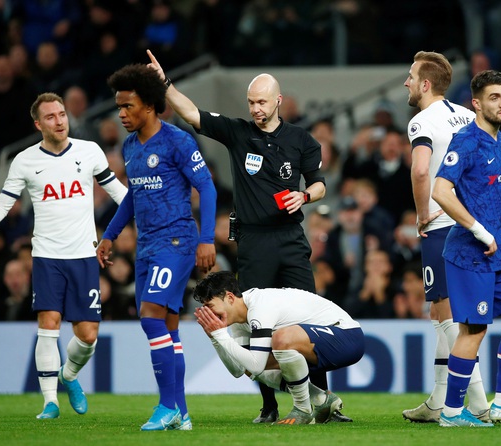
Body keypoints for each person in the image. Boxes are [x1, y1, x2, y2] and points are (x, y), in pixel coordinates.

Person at [144, 50, 345, 423]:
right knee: (252, 324)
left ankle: (324, 404)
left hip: (290, 239)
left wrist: (303, 195)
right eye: (251, 102)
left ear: (278, 101)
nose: (256, 108)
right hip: (252, 242)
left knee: (308, 321)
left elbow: (319, 185)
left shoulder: (301, 140)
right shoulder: (239, 133)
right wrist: (164, 84)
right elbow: (192, 114)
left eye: (262, 102)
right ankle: (269, 406)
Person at [0, 92, 128, 419]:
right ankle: (49, 402)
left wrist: (155, 212)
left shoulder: (90, 152)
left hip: (84, 256)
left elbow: (120, 195)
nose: (59, 121)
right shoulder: (25, 161)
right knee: (49, 324)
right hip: (46, 256)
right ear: (38, 124)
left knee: (88, 336)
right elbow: (2, 205)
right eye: (51, 116)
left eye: (62, 114)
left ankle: (68, 375)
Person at [96, 62, 216, 431]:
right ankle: (181, 412)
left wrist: (207, 239)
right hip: (146, 246)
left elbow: (207, 188)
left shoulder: (178, 140)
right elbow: (132, 197)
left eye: (128, 106)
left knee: (149, 317)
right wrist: (110, 235)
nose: (121, 114)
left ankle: (165, 406)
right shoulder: (131, 146)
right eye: (118, 106)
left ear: (149, 105)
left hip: (176, 241)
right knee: (167, 327)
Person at [431, 69, 501, 427]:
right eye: (495, 98)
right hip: (470, 254)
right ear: (476, 104)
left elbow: (494, 187)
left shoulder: (498, 139)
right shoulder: (466, 141)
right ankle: (451, 412)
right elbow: (440, 191)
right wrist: (480, 230)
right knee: (474, 331)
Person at [402, 51, 489, 423]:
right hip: (472, 224)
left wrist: (422, 214)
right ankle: (437, 401)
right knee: (451, 313)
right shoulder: (470, 116)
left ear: (425, 84)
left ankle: (481, 405)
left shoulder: (421, 121)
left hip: (441, 227)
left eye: (410, 76)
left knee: (443, 313)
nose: (406, 82)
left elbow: (421, 171)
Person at [193, 271, 364, 424]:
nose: (209, 314)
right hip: (321, 342)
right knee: (246, 357)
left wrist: (221, 335)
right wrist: (216, 338)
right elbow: (239, 370)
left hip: (347, 337)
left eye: (210, 306)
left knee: (280, 339)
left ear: (230, 297)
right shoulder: (239, 317)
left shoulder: (260, 306)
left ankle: (302, 410)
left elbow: (257, 365)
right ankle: (321, 399)